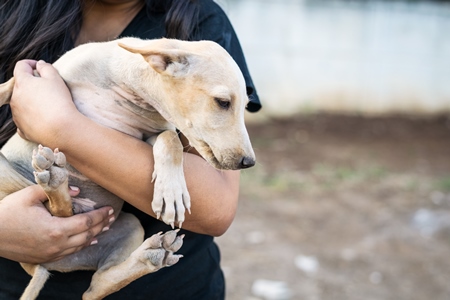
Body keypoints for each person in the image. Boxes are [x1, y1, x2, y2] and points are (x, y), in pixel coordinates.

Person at [0, 0, 261, 299]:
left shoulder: (199, 22)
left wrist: (62, 127)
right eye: (223, 104)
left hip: (164, 287)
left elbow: (216, 209)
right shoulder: (12, 12)